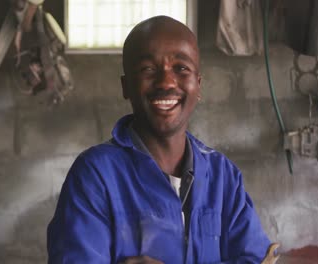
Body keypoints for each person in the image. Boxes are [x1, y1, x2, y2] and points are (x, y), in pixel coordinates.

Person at [47, 15, 271, 263]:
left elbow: (257, 258)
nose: (165, 82)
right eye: (148, 69)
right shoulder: (96, 175)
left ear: (198, 85)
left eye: (181, 68)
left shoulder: (223, 176)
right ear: (126, 86)